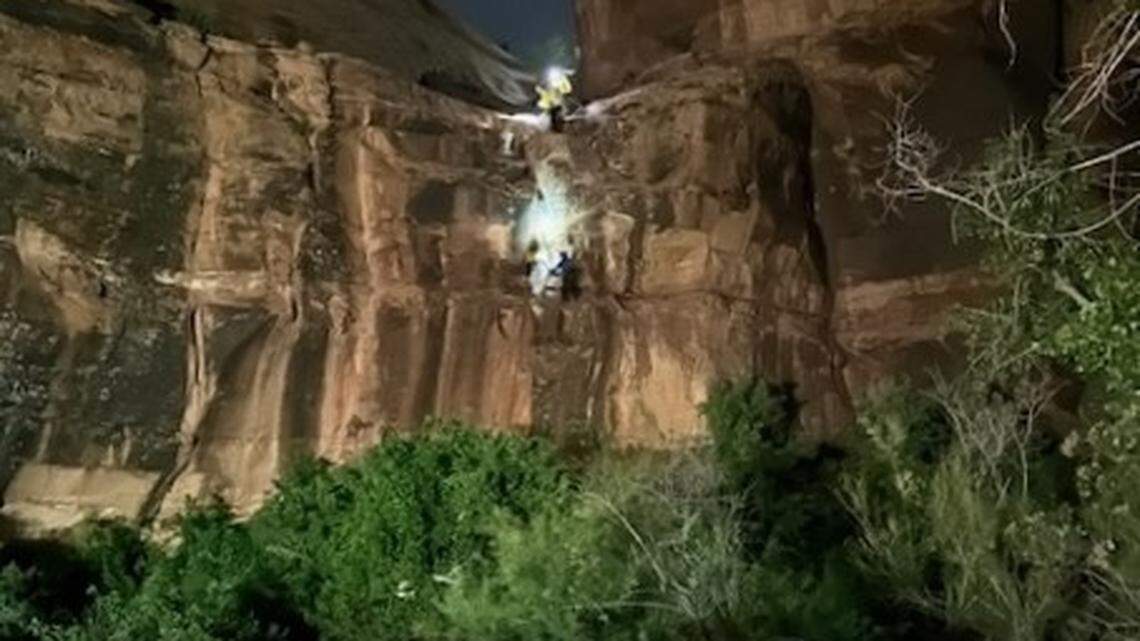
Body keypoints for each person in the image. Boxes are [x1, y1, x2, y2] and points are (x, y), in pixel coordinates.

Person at [536, 68, 573, 133]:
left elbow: (567, 89)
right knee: (551, 114)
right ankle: (551, 127)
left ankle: (559, 126)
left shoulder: (561, 81)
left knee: (560, 113)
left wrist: (562, 91)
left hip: (559, 103)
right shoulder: (548, 83)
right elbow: (541, 90)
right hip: (550, 104)